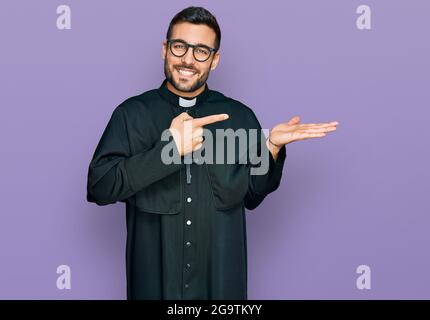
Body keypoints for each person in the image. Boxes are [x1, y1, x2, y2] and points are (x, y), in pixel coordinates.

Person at [86, 6, 338, 300]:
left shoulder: (240, 117)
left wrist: (271, 148)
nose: (188, 60)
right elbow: (100, 188)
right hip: (153, 287)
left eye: (201, 51)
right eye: (180, 47)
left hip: (221, 290)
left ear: (215, 59)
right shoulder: (130, 115)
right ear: (165, 49)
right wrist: (168, 151)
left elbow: (254, 196)